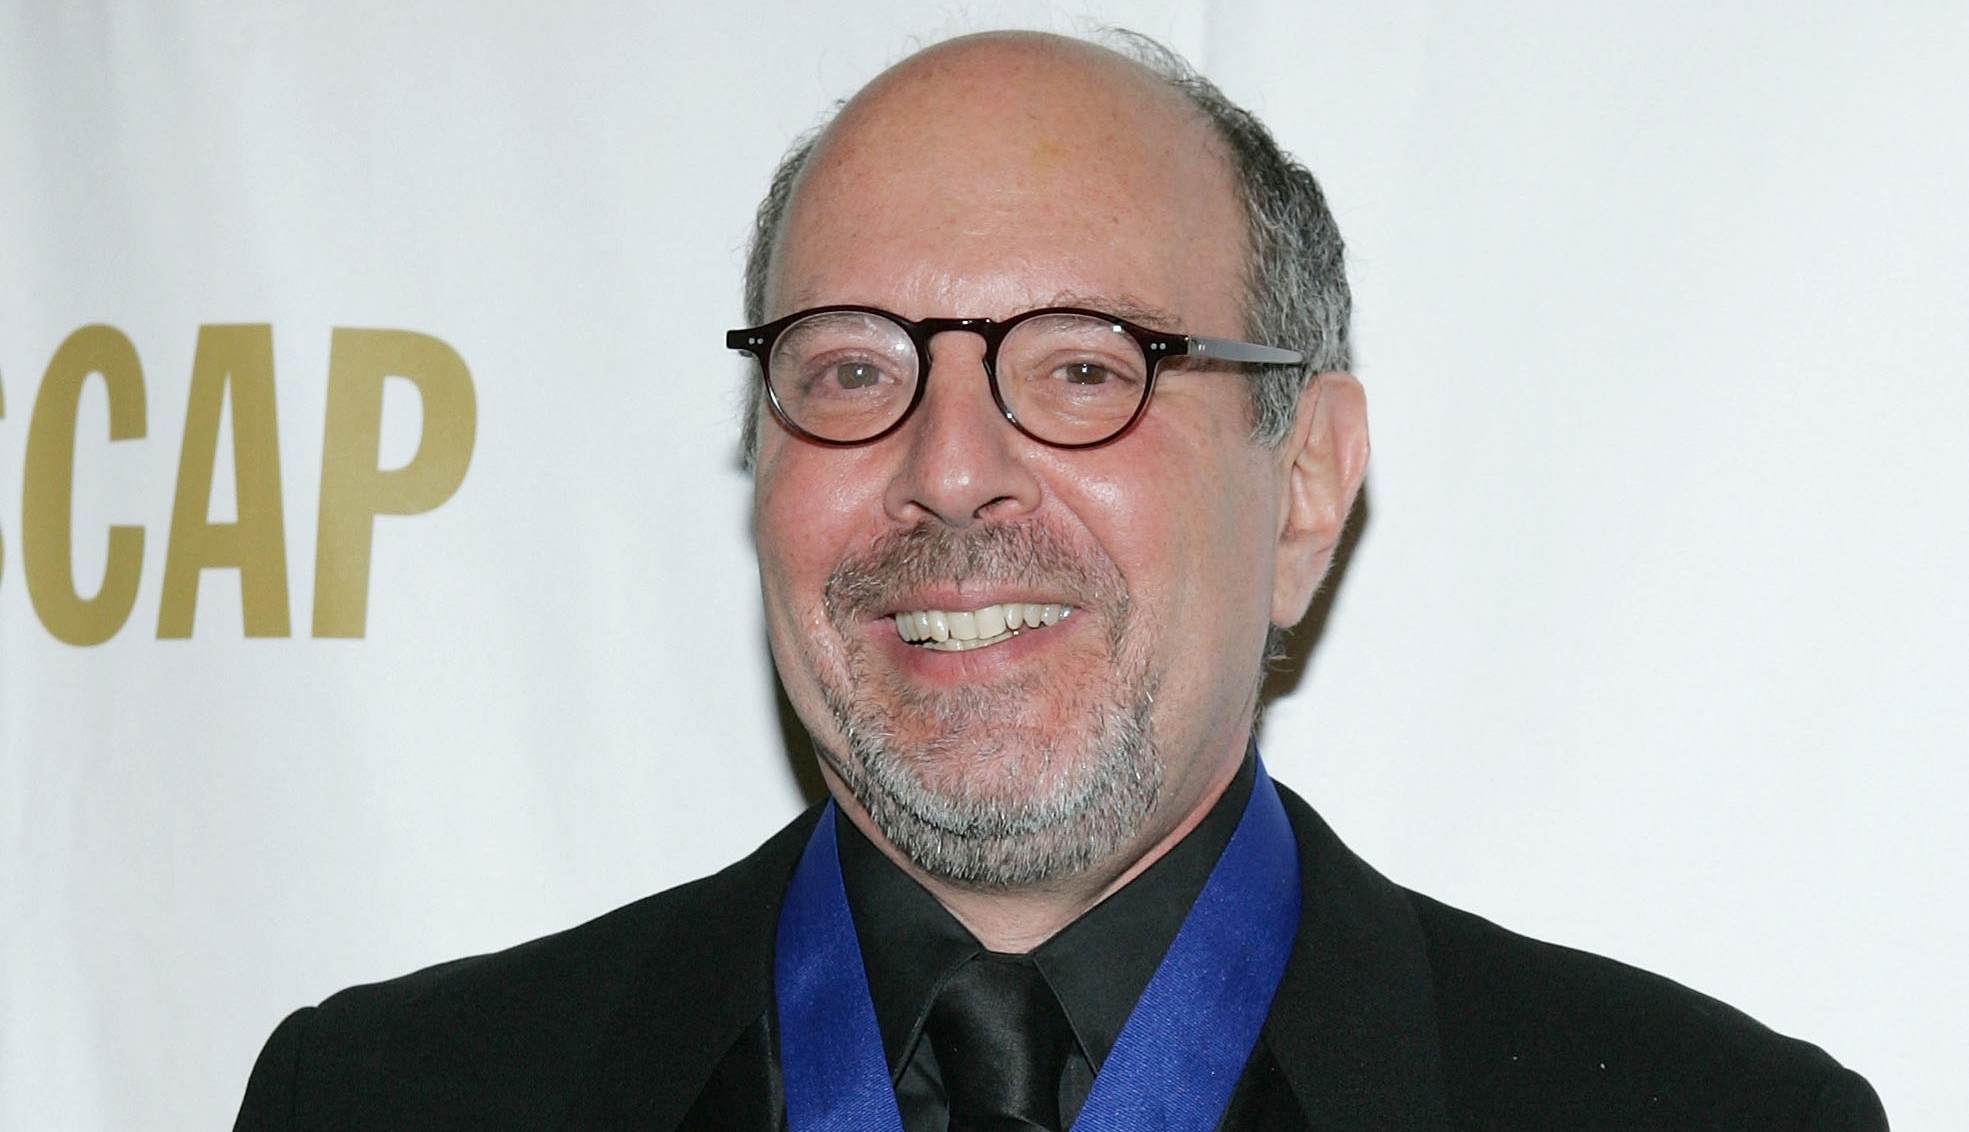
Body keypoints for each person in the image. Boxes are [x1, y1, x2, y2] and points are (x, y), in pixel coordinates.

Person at [234, 29, 1887, 1132]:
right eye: (849, 369)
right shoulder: (390, 1099)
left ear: (1303, 481)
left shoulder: (1708, 1116)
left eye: (1088, 369)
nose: (949, 468)